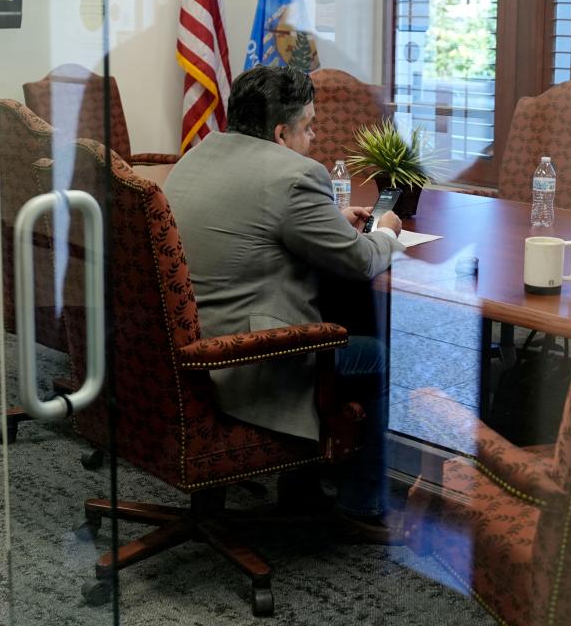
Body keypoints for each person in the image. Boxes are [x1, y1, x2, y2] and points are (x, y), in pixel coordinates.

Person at [165, 65, 405, 543]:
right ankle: (360, 506)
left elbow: (252, 217)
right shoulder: (296, 175)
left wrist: (328, 218)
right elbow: (359, 262)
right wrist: (388, 234)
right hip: (242, 361)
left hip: (178, 357)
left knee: (339, 319)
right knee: (377, 356)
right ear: (280, 131)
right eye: (309, 126)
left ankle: (303, 485)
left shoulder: (198, 153)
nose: (314, 138)